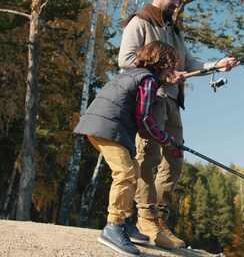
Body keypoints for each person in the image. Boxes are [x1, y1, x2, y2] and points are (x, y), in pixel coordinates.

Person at [118, 0, 239, 249]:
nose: (177, 4)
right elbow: (125, 60)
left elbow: (188, 60)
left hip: (173, 105)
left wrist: (215, 64)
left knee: (173, 162)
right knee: (147, 160)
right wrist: (163, 73)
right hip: (150, 102)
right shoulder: (140, 22)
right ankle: (145, 222)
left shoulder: (173, 30)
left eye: (180, 0)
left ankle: (160, 221)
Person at [74, 41, 182, 256]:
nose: (172, 70)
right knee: (126, 173)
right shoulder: (148, 80)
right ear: (162, 63)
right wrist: (166, 139)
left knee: (132, 169)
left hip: (101, 126)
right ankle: (113, 226)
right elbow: (144, 119)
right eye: (171, 65)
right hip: (107, 127)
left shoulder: (133, 73)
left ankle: (124, 222)